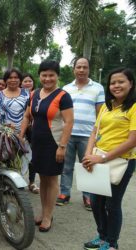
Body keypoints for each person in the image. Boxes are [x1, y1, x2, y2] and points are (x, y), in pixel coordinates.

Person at [82, 68, 136, 250]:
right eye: (113, 82)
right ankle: (102, 236)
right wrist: (89, 154)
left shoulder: (134, 107)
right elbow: (94, 132)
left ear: (131, 83)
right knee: (96, 202)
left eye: (121, 82)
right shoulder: (106, 106)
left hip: (121, 161)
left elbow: (132, 141)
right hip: (98, 158)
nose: (116, 86)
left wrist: (102, 158)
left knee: (112, 204)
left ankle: (112, 243)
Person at [20, 60, 73, 233]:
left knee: (51, 179)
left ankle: (49, 216)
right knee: (42, 178)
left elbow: (69, 122)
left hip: (54, 143)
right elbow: (27, 116)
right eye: (44, 75)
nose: (47, 78)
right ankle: (43, 212)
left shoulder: (63, 96)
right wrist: (20, 136)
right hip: (37, 142)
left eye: (51, 75)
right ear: (39, 76)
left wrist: (62, 146)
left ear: (57, 76)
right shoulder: (34, 93)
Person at [57, 57, 105, 210]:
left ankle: (88, 197)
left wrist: (98, 135)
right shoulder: (66, 88)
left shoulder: (98, 88)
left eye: (85, 67)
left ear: (89, 69)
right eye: (79, 67)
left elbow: (101, 114)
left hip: (88, 135)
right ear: (74, 69)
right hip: (68, 134)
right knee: (66, 166)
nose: (82, 70)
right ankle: (64, 193)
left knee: (88, 165)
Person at [0, 68, 28, 134]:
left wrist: (22, 135)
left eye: (16, 77)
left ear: (20, 79)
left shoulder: (26, 94)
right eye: (10, 78)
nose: (13, 80)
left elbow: (28, 116)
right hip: (3, 134)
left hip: (22, 133)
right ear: (5, 80)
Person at [20, 73, 39, 194]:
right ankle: (18, 180)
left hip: (33, 130)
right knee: (19, 156)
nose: (27, 83)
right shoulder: (18, 94)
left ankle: (32, 182)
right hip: (19, 129)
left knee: (33, 156)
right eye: (25, 81)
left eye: (29, 81)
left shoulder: (37, 95)